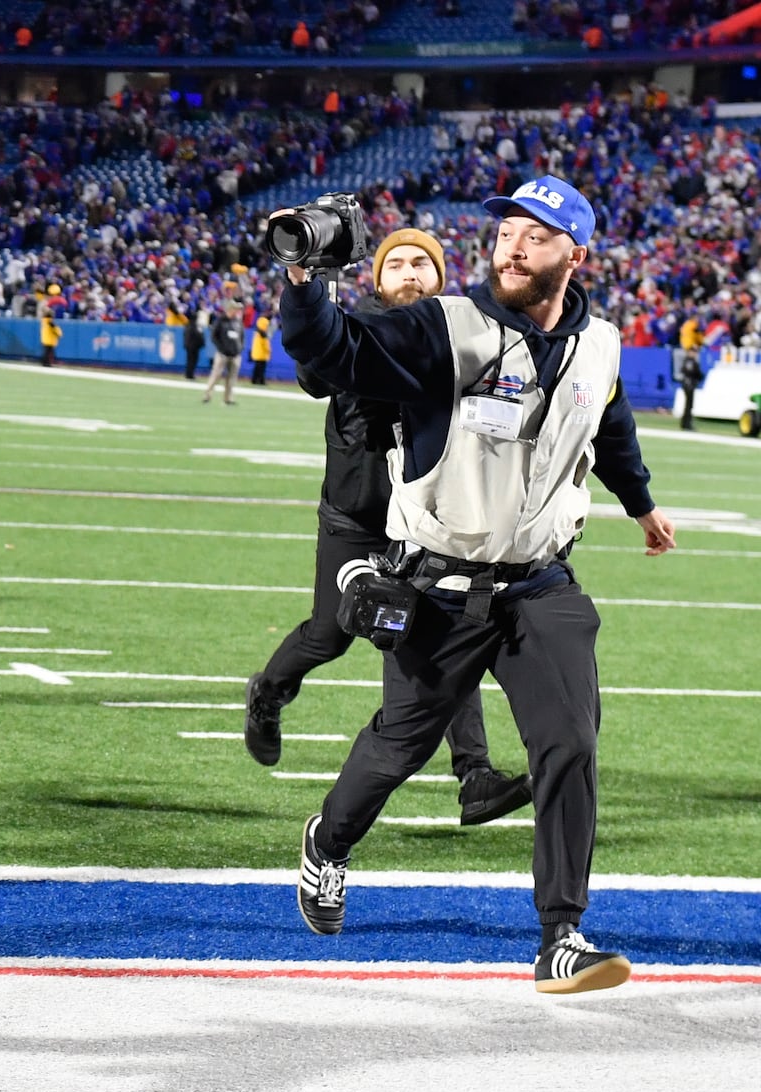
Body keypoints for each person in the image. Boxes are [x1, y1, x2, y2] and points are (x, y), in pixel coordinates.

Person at [277, 175, 676, 994]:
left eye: (535, 234)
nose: (513, 245)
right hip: (439, 587)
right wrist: (306, 282)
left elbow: (609, 424)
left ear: (576, 252)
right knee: (398, 746)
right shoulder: (445, 327)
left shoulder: (599, 342)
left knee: (570, 743)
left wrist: (641, 504)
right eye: (503, 233)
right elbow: (334, 354)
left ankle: (561, 934)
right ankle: (328, 839)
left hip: (541, 585)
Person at [247, 229, 532, 828]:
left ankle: (474, 775)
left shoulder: (464, 338)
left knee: (441, 636)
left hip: (428, 523)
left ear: (442, 279)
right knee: (330, 635)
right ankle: (270, 691)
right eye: (396, 263)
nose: (409, 273)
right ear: (376, 280)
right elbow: (316, 370)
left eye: (422, 264)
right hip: (359, 516)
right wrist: (310, 286)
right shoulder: (362, 331)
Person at [202, 302, 242, 405]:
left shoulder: (237, 322)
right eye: (235, 309)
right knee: (216, 375)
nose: (237, 311)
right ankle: (207, 396)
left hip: (234, 354)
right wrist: (221, 348)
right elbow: (214, 336)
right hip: (222, 354)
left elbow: (241, 336)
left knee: (231, 378)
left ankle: (228, 398)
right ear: (230, 309)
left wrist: (239, 349)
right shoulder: (221, 321)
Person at [248, 310, 272, 386]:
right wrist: (268, 350)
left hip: (258, 353)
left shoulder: (257, 332)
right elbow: (265, 344)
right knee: (261, 369)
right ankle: (260, 380)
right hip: (262, 354)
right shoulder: (263, 334)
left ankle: (256, 380)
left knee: (257, 368)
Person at [183, 306, 206, 380]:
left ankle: (188, 374)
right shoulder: (195, 327)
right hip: (194, 347)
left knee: (189, 360)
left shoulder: (188, 325)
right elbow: (198, 336)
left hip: (189, 346)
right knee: (192, 360)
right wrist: (202, 343)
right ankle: (190, 375)